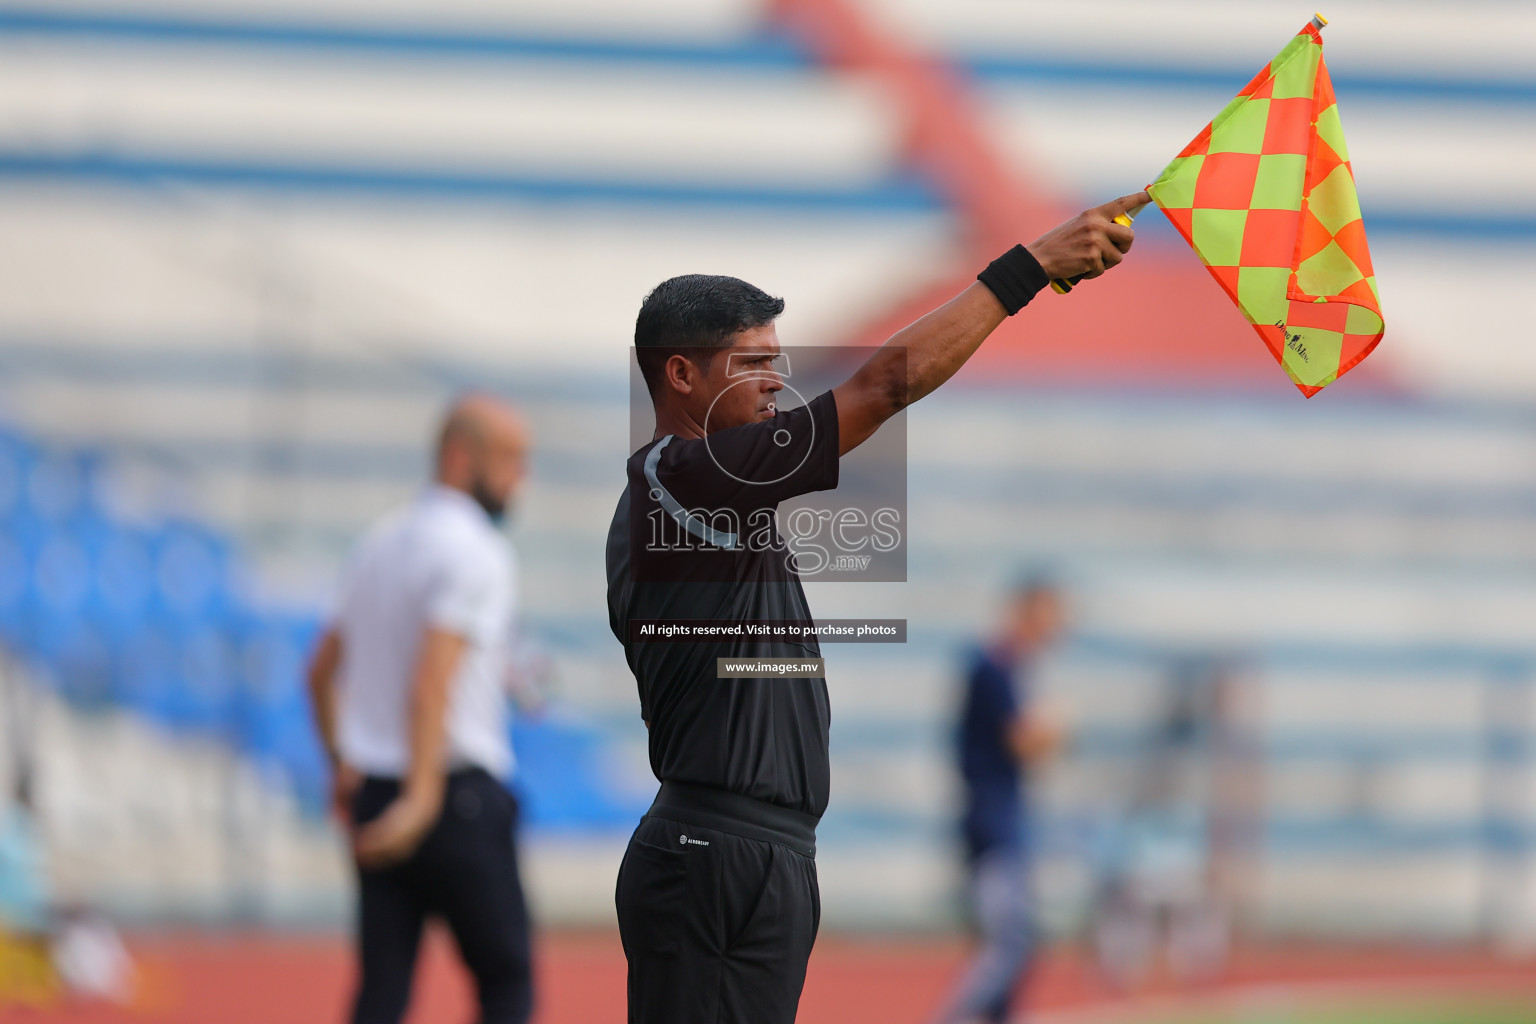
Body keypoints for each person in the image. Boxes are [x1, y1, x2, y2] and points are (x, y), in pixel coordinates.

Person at [605, 192, 1147, 1024]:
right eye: (752, 363)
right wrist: (1030, 267)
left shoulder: (709, 494)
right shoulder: (682, 476)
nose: (776, 384)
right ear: (681, 374)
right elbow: (887, 385)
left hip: (758, 852)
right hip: (714, 852)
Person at [308, 394, 534, 1024]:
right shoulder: (478, 550)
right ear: (462, 457)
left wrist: (341, 763)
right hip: (450, 796)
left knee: (381, 992)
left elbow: (319, 671)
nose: (523, 476)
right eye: (511, 458)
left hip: (376, 789)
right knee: (506, 983)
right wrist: (425, 799)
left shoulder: (379, 540)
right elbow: (430, 679)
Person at [933, 578, 1066, 1024]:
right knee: (1009, 942)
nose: (1058, 625)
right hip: (993, 820)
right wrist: (1054, 730)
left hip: (994, 814)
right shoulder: (996, 665)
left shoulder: (1003, 665)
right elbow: (1021, 742)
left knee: (1013, 941)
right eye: (1051, 613)